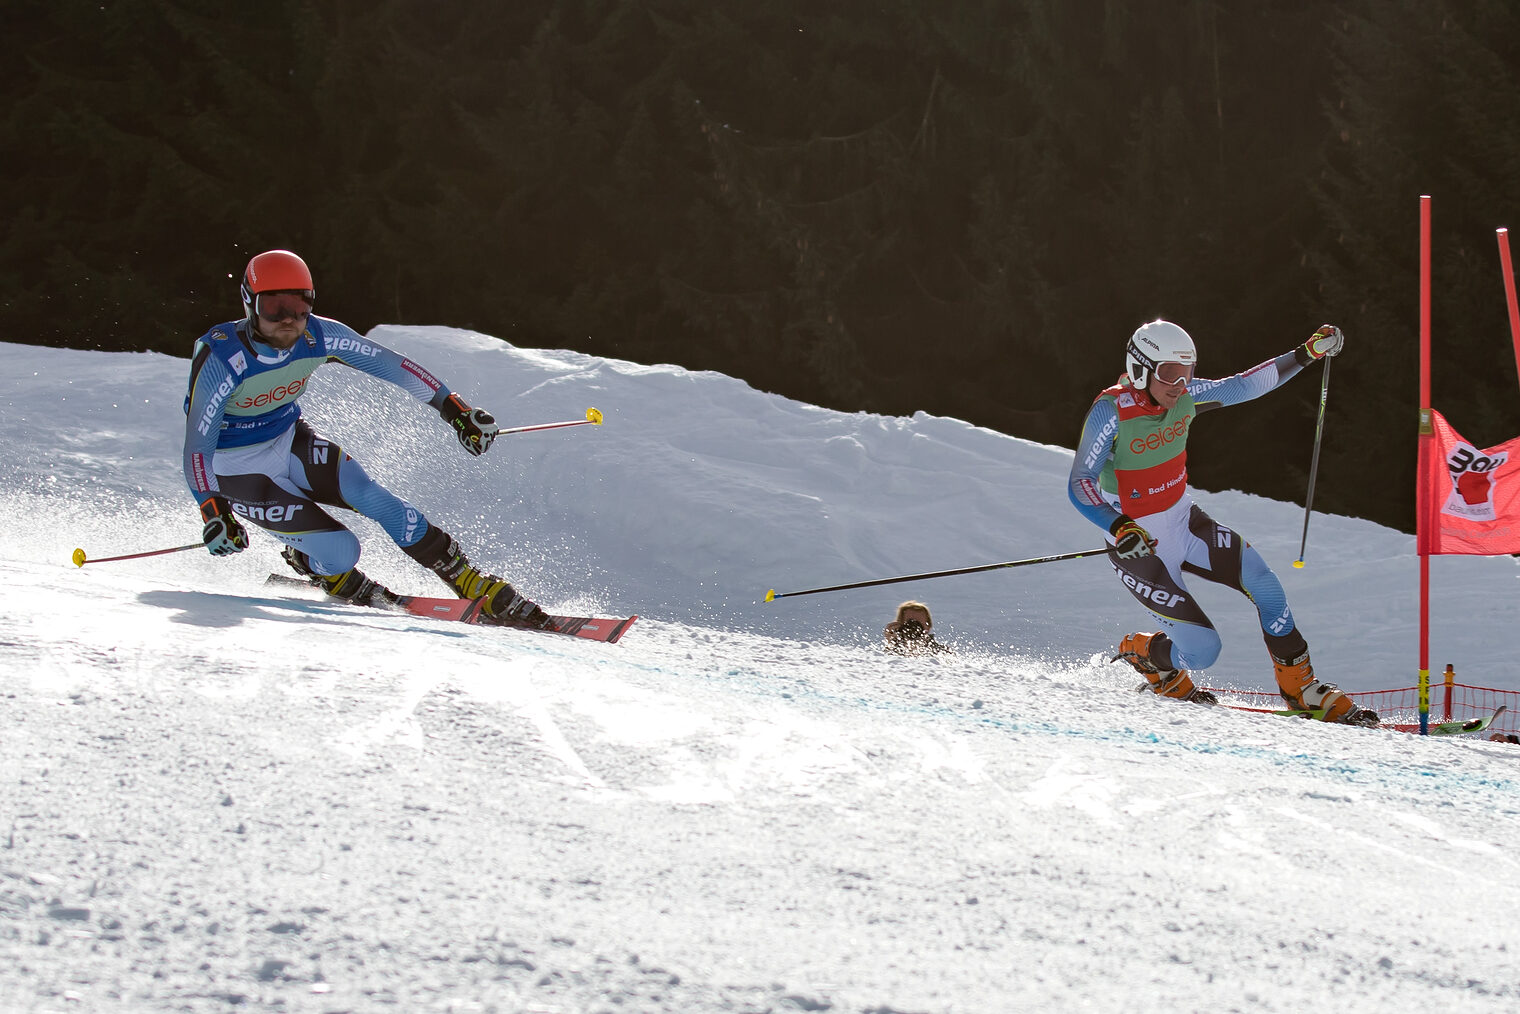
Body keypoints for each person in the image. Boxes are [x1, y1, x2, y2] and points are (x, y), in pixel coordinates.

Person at [182, 249, 554, 628]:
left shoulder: (318, 335)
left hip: (289, 440)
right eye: (273, 307)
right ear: (249, 303)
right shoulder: (223, 357)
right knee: (344, 552)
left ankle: (468, 580)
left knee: (378, 500)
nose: (288, 319)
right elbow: (197, 448)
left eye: (299, 305)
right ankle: (322, 567)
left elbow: (394, 366)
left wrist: (455, 410)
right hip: (233, 470)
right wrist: (214, 511)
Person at [1067, 319, 1378, 726]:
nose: (1180, 384)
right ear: (1141, 367)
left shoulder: (1185, 396)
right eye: (1169, 373)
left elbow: (1245, 385)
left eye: (1187, 372)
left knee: (1266, 586)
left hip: (1185, 523)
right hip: (1139, 548)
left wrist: (1306, 354)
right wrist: (1119, 526)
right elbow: (1080, 483)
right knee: (1202, 653)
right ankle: (1149, 656)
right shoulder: (1111, 411)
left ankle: (1301, 688)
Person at [883, 600, 952, 654]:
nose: (914, 628)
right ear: (899, 626)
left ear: (928, 626)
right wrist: (891, 643)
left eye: (919, 624)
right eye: (910, 623)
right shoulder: (888, 655)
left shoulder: (943, 652)